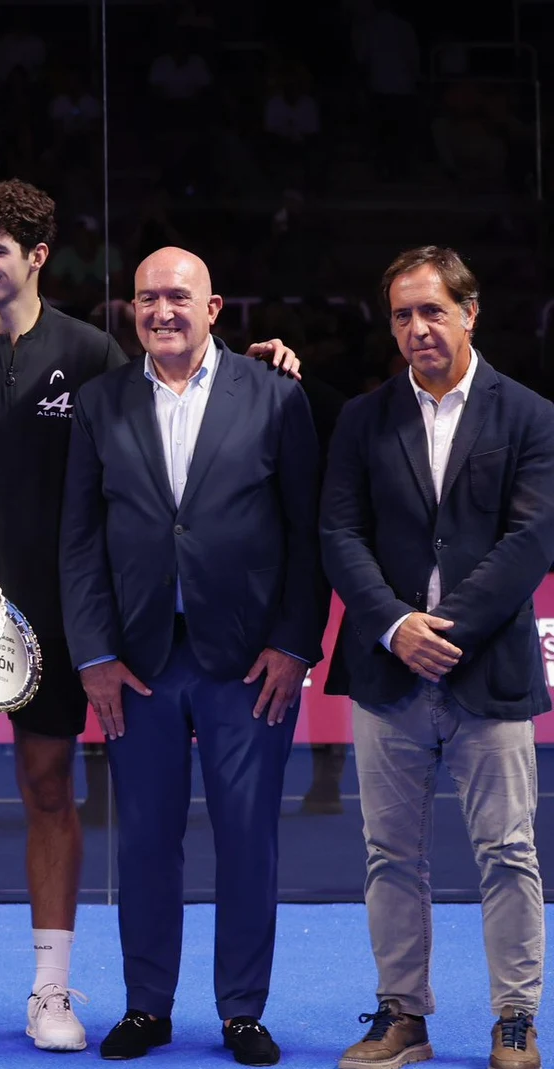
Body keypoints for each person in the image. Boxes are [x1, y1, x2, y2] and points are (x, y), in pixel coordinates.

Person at [0, 180, 298, 1053]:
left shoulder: (92, 357)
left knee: (52, 789)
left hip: (61, 619)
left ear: (38, 256)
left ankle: (51, 989)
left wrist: (269, 360)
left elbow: (125, 494)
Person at [60, 247, 327, 1067]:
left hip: (247, 661)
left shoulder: (276, 395)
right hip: (136, 661)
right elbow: (80, 540)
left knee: (248, 836)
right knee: (144, 839)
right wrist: (93, 654)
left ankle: (242, 1011)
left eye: (178, 296)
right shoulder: (100, 402)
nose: (161, 310)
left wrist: (293, 642)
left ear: (213, 308)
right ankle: (148, 1006)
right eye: (146, 298)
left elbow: (308, 533)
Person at [322, 246, 554, 1069]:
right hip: (389, 672)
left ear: (469, 312)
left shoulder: (529, 415)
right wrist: (394, 625)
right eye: (402, 314)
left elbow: (531, 540)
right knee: (390, 854)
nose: (418, 327)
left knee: (509, 852)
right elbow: (338, 533)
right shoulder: (363, 418)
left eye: (432, 310)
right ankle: (403, 1016)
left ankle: (515, 1017)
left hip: (488, 667)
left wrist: (442, 629)